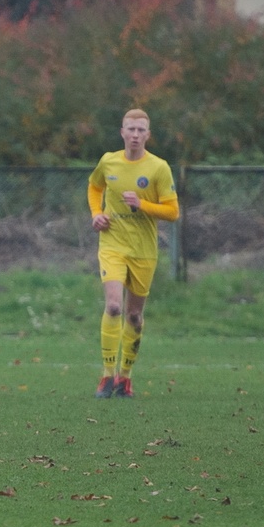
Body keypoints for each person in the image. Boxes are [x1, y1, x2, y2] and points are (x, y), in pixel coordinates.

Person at [87, 108, 179, 398]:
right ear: (122, 132)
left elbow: (173, 212)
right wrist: (97, 213)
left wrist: (142, 205)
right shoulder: (108, 161)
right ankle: (106, 376)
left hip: (143, 251)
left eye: (141, 130)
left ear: (148, 135)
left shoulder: (158, 168)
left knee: (134, 316)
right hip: (112, 244)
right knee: (114, 306)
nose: (136, 135)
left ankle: (125, 378)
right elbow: (94, 186)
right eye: (131, 129)